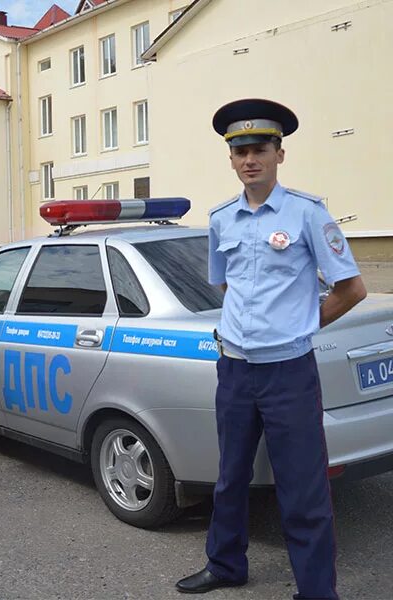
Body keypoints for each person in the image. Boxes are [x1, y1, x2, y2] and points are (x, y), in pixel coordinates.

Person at [175, 99, 367, 599]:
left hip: (289, 372)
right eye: (240, 152)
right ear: (231, 159)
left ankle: (317, 590)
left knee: (303, 487)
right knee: (230, 476)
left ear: (280, 154)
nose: (249, 159)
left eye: (260, 149)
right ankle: (225, 565)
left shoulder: (307, 214)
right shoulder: (221, 220)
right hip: (236, 369)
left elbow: (351, 288)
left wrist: (300, 324)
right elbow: (225, 287)